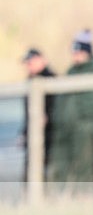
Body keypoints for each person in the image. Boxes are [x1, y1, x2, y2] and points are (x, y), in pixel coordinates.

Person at [47, 29, 93, 185]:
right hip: (66, 126)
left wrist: (79, 116)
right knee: (62, 164)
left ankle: (84, 197)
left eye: (78, 52)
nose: (75, 56)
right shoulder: (72, 70)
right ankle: (61, 197)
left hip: (84, 125)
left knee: (84, 164)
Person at [20, 48, 56, 180]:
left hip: (50, 133)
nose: (28, 66)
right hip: (34, 132)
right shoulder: (31, 80)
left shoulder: (50, 78)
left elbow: (56, 107)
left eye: (30, 62)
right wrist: (24, 132)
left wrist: (48, 118)